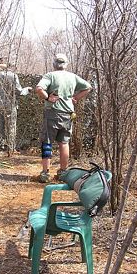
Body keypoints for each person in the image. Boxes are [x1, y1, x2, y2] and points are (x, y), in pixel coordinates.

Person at [35, 53, 92, 183]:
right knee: (64, 143)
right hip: (67, 114)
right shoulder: (73, 77)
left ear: (54, 64)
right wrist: (76, 98)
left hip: (53, 113)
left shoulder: (50, 76)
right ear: (66, 64)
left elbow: (39, 88)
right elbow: (88, 87)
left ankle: (45, 173)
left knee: (47, 142)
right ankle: (63, 173)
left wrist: (47, 97)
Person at [0, 59, 31, 154]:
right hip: (10, 104)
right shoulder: (13, 76)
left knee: (0, 125)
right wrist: (27, 89)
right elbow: (19, 91)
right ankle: (11, 148)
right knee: (11, 126)